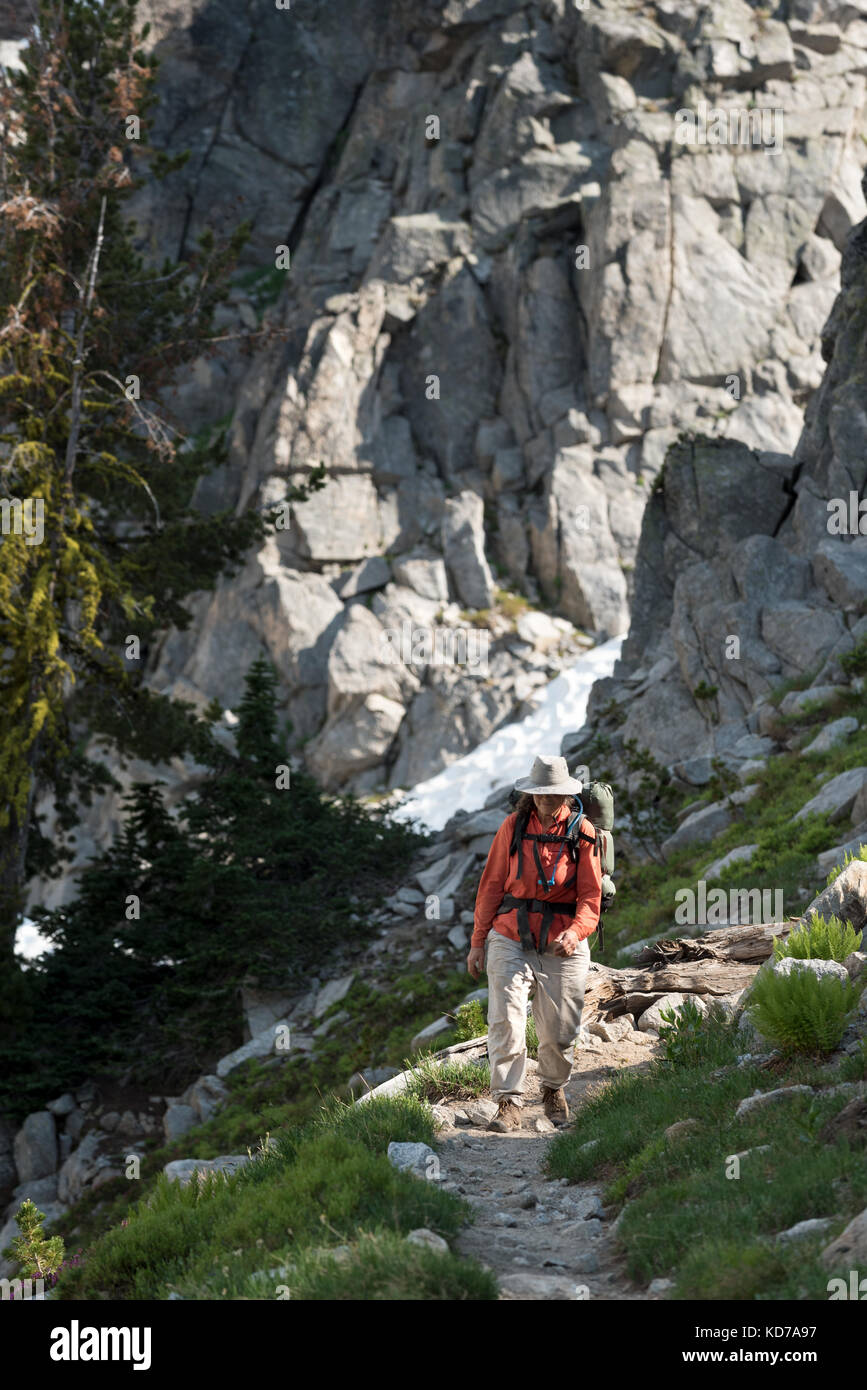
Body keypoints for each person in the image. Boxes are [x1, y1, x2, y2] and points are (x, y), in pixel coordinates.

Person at [467, 754, 602, 1132]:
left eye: (553, 794)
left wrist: (575, 933)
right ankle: (508, 1102)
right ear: (531, 794)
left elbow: (591, 897)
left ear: (565, 794)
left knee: (561, 1028)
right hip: (510, 934)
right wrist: (479, 941)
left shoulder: (583, 831)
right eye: (540, 793)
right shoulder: (513, 827)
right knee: (506, 1018)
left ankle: (552, 1089)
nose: (546, 799)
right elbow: (491, 885)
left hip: (563, 939)